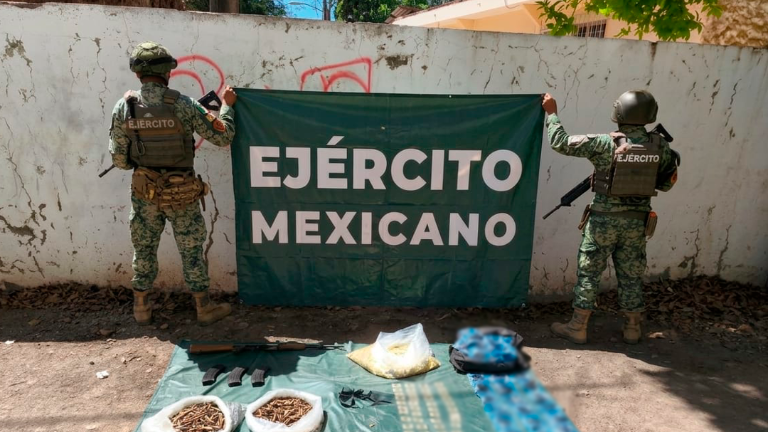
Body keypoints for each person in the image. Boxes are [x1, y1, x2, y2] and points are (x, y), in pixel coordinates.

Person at [108, 41, 237, 326]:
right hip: (182, 192)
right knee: (191, 249)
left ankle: (141, 308)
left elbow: (119, 159)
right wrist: (227, 107)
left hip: (144, 194)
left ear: (138, 73)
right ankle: (203, 308)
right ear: (167, 71)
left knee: (143, 248)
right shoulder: (183, 104)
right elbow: (223, 136)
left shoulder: (124, 106)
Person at [542, 91, 679, 344]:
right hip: (637, 223)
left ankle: (578, 327)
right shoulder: (661, 147)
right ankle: (632, 329)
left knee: (589, 273)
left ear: (618, 113)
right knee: (631, 274)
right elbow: (667, 185)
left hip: (602, 222)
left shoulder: (604, 142)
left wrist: (551, 113)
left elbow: (560, 142)